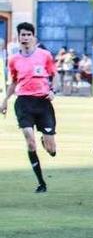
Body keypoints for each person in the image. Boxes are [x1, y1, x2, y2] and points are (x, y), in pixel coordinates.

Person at [0, 22, 58, 193]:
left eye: (28, 35)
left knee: (51, 150)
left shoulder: (45, 55)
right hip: (24, 102)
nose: (25, 38)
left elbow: (54, 76)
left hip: (43, 103)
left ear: (34, 37)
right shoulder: (13, 59)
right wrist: (4, 101)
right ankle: (41, 183)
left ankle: (45, 141)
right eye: (22, 35)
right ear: (18, 37)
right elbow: (13, 82)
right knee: (29, 139)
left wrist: (53, 91)